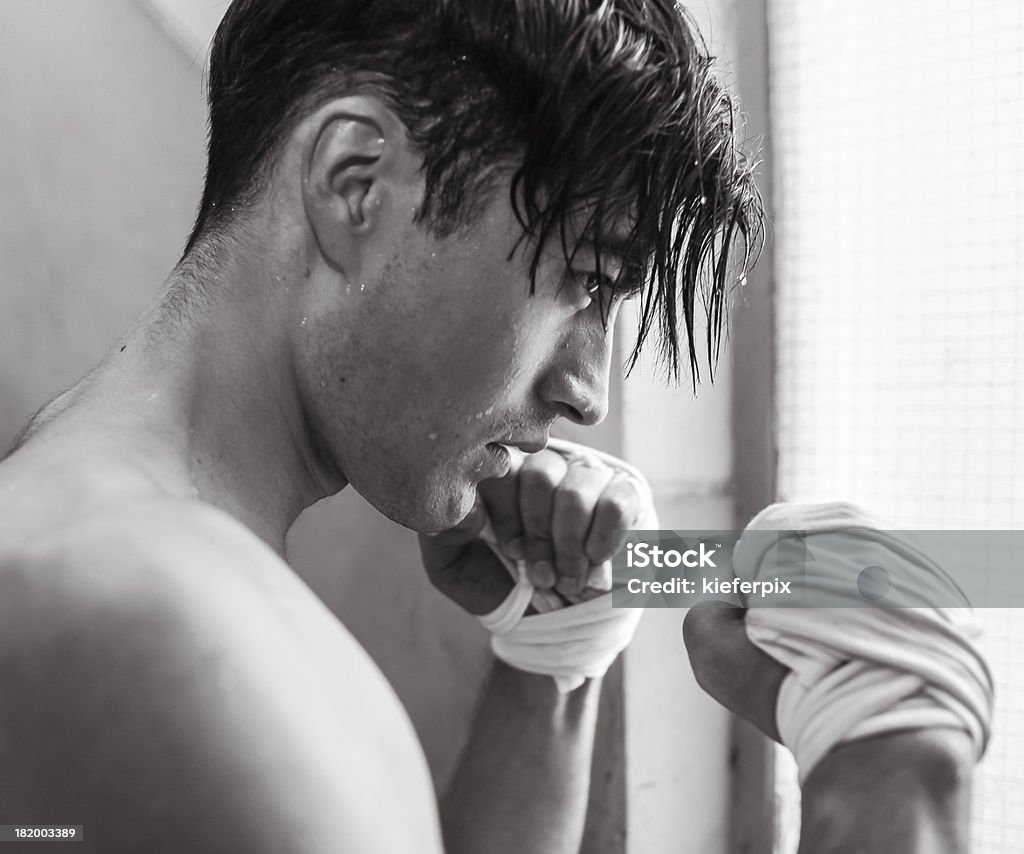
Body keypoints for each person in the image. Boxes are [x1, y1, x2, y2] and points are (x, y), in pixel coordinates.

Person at [0, 1, 976, 852]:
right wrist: (889, 773)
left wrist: (550, 659)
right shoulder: (166, 633)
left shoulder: (106, 518)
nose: (588, 391)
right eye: (585, 280)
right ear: (356, 187)